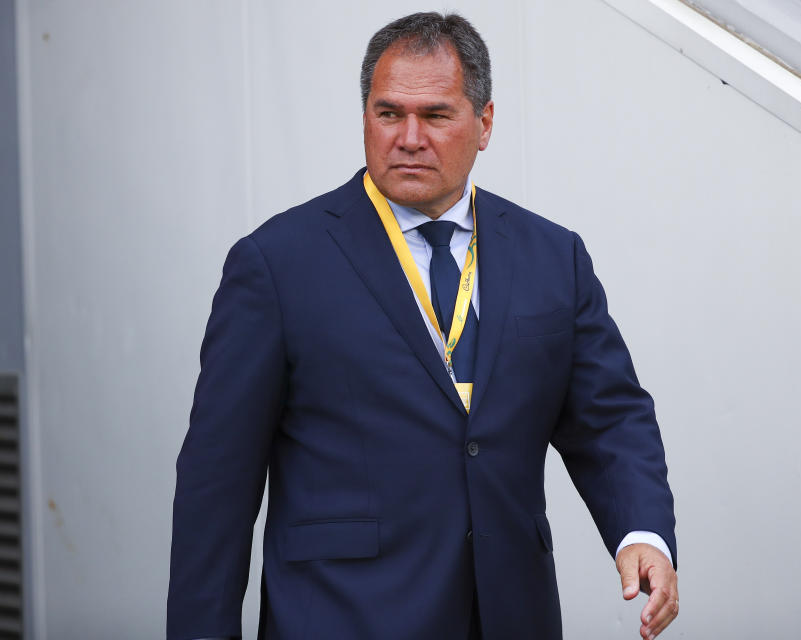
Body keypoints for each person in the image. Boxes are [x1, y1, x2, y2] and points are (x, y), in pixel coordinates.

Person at [168, 12, 678, 640]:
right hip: (342, 619)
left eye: (436, 115)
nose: (409, 137)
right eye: (388, 114)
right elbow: (215, 486)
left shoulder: (554, 256)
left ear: (484, 123)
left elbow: (611, 418)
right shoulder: (276, 264)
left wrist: (641, 530)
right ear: (365, 119)